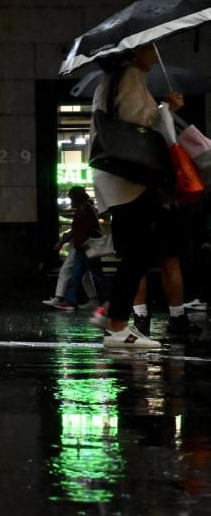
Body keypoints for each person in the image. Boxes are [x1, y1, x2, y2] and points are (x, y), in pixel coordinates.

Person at [91, 44, 184, 349]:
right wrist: (166, 108)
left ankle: (112, 316)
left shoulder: (108, 81)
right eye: (148, 50)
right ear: (133, 53)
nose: (153, 56)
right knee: (137, 253)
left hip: (117, 179)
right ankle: (118, 325)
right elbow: (136, 119)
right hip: (130, 179)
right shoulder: (130, 75)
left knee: (134, 253)